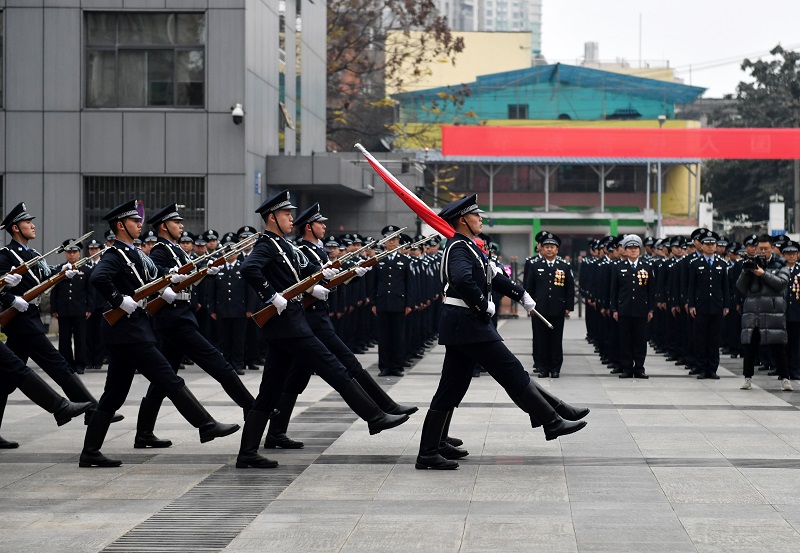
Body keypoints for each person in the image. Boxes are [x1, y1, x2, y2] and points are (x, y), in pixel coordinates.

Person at [235, 191, 410, 469]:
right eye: (286, 215)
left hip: (288, 324)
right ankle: (374, 417)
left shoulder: (282, 246)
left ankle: (248, 451)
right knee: (333, 367)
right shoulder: (266, 245)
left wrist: (328, 276)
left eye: (291, 214)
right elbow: (249, 269)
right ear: (272, 217)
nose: (291, 219)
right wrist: (270, 295)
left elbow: (304, 273)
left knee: (270, 389)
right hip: (288, 324)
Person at [415, 194, 588, 471]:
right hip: (468, 324)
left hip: (464, 324)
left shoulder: (468, 246)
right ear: (463, 220)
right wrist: (483, 304)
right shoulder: (460, 247)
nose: (481, 218)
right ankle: (553, 420)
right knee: (511, 370)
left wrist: (522, 294)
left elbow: (493, 276)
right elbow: (461, 279)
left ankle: (432, 447)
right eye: (476, 215)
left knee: (452, 386)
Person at [80, 199, 240, 467]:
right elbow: (98, 278)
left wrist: (174, 279)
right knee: (170, 380)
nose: (139, 223)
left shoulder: (137, 254)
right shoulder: (114, 255)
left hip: (131, 332)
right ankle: (205, 424)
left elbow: (154, 278)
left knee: (114, 395)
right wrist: (119, 300)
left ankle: (90, 451)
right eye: (133, 221)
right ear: (120, 225)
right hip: (129, 334)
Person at [132, 204, 254, 449]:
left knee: (162, 379)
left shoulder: (176, 250)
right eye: (177, 223)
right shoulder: (160, 250)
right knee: (217, 362)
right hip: (175, 320)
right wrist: (170, 274)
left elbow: (185, 279)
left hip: (179, 317)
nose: (182, 226)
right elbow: (155, 276)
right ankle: (251, 407)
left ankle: (144, 432)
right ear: (164, 226)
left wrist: (206, 271)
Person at [0, 202, 120, 438]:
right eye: (27, 223)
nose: (33, 226)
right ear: (15, 228)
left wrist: (63, 270)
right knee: (57, 363)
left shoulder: (33, 255)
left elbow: (46, 273)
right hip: (21, 321)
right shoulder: (5, 255)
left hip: (29, 318)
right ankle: (91, 408)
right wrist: (12, 299)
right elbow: (1, 286)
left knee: (5, 379)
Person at [738, 235, 791, 391]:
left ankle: (785, 379)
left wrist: (763, 274)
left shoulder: (780, 263)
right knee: (750, 347)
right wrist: (747, 271)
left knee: (778, 347)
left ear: (772, 248)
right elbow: (740, 287)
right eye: (759, 249)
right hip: (753, 312)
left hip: (773, 312)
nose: (762, 251)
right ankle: (747, 378)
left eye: (765, 249)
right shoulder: (751, 263)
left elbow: (781, 283)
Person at [523, 231, 574, 378]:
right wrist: (530, 306)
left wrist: (568, 307)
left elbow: (569, 288)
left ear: (557, 250)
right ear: (542, 249)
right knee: (541, 339)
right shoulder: (535, 265)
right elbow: (529, 288)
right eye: (547, 246)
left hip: (558, 309)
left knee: (556, 340)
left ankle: (555, 368)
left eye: (553, 246)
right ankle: (543, 368)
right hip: (539, 309)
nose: (550, 249)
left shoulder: (564, 266)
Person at [609, 234, 655, 379]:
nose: (633, 250)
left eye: (636, 248)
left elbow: (651, 290)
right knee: (625, 341)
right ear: (625, 250)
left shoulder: (647, 266)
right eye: (630, 248)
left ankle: (639, 368)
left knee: (640, 341)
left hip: (641, 310)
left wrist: (651, 309)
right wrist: (614, 309)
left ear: (639, 250)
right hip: (624, 309)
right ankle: (627, 368)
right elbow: (613, 290)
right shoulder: (618, 267)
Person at [371, 225, 414, 377]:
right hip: (383, 303)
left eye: (394, 239)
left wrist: (409, 304)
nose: (391, 243)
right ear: (384, 241)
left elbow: (409, 284)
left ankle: (397, 366)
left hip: (399, 303)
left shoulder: (405, 260)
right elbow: (374, 284)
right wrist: (373, 303)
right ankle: (384, 366)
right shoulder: (378, 261)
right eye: (389, 240)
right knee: (383, 337)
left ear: (398, 241)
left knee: (398, 337)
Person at [686, 229, 729, 380]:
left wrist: (726, 306)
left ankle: (712, 368)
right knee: (700, 339)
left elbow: (725, 288)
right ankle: (702, 367)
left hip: (716, 306)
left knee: (714, 339)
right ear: (701, 246)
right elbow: (691, 287)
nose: (710, 246)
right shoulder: (695, 264)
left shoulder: (722, 264)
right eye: (707, 244)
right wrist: (691, 305)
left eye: (712, 244)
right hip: (701, 307)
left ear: (716, 246)